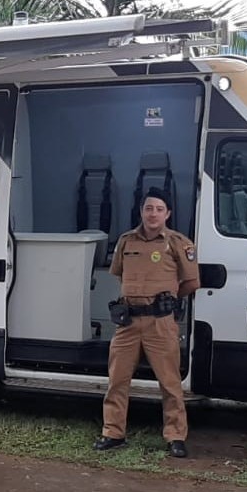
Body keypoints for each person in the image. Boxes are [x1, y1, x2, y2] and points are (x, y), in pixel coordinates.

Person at [94, 188, 199, 457]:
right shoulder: (126, 241)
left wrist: (168, 300)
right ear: (141, 211)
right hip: (128, 322)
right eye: (148, 208)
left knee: (170, 383)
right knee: (117, 379)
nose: (153, 214)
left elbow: (192, 282)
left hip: (160, 323)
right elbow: (118, 273)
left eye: (159, 209)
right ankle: (113, 433)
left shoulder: (178, 243)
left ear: (168, 214)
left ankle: (175, 436)